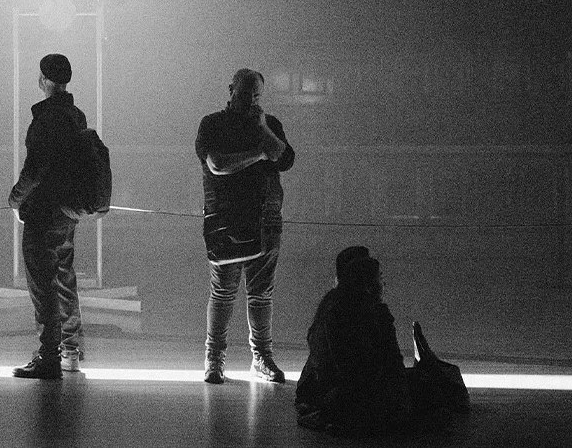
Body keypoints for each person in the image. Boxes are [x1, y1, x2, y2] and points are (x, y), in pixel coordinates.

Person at [295, 247, 470, 436]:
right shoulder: (375, 313)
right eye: (380, 277)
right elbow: (391, 365)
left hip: (337, 395)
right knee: (432, 391)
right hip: (362, 397)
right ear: (369, 284)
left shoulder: (331, 306)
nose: (384, 283)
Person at [195, 68, 295, 384]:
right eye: (246, 92)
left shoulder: (269, 124)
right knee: (224, 292)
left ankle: (261, 358)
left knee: (261, 293)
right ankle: (214, 360)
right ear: (231, 89)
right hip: (226, 219)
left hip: (266, 217)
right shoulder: (212, 123)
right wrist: (259, 153)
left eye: (256, 94)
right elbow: (217, 164)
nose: (251, 99)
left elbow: (284, 158)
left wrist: (263, 128)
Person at [9, 54, 87, 378]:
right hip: (67, 212)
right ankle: (70, 350)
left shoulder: (44, 120)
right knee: (64, 278)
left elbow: (36, 168)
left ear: (43, 81)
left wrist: (15, 199)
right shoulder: (76, 116)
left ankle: (48, 356)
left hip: (42, 212)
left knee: (42, 284)